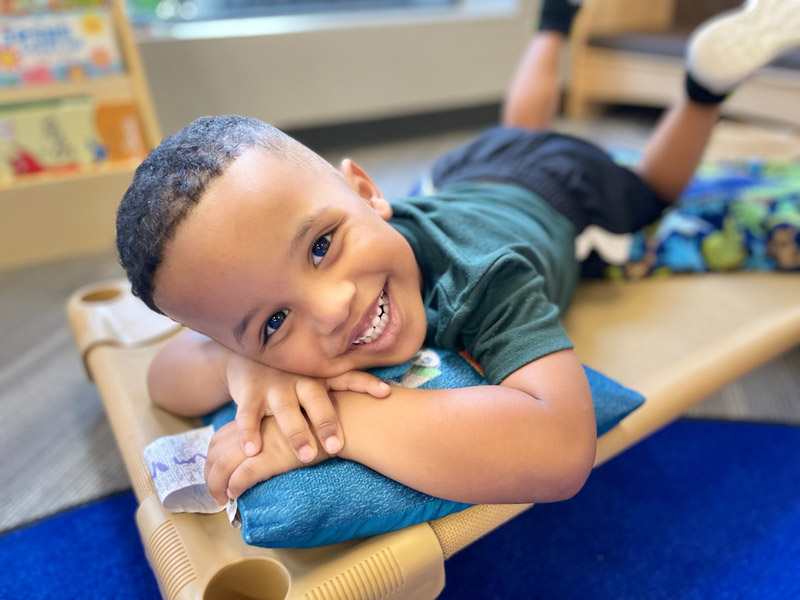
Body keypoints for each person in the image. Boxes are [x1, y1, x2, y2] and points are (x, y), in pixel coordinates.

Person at [115, 0, 800, 507]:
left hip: (568, 191)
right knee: (512, 129)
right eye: (271, 324)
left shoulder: (487, 278)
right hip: (466, 172)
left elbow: (560, 450)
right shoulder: (318, 271)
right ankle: (555, 21)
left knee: (651, 189)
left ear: (366, 191)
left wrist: (338, 420)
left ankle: (703, 90)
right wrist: (242, 369)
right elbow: (164, 380)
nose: (331, 310)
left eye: (323, 245)